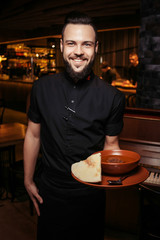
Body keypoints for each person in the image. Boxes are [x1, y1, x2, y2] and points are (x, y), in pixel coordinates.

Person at [24, 11, 125, 240]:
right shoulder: (41, 88)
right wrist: (28, 180)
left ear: (96, 47)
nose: (78, 51)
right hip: (49, 192)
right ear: (61, 46)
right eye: (71, 43)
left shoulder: (113, 97)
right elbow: (33, 135)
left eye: (86, 44)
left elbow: (111, 145)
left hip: (90, 193)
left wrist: (116, 174)